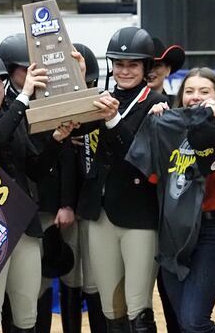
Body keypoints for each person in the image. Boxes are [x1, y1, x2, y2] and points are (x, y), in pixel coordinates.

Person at [0, 49, 78, 333]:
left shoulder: (15, 117)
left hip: (23, 224)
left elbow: (34, 169)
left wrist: (56, 140)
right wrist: (24, 96)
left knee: (26, 315)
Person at [128, 67, 215, 333]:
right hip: (173, 233)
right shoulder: (169, 132)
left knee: (194, 320)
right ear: (181, 97)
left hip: (210, 231)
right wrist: (156, 128)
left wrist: (209, 128)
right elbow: (153, 178)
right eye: (189, 91)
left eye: (204, 91)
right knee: (183, 322)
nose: (195, 96)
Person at [76, 26, 168, 333]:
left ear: (145, 67)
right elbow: (75, 126)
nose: (124, 71)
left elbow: (140, 158)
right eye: (119, 64)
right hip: (99, 212)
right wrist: (78, 82)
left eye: (132, 65)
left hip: (138, 215)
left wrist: (113, 120)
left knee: (138, 306)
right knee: (110, 308)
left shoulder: (157, 104)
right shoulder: (103, 98)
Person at [67, 43, 107, 333]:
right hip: (68, 205)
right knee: (70, 278)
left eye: (90, 84)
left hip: (96, 209)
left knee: (94, 280)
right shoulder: (58, 115)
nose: (87, 89)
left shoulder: (104, 111)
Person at [147, 37, 185, 106]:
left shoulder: (178, 104)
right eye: (147, 65)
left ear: (168, 70)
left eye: (157, 66)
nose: (151, 70)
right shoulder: (127, 104)